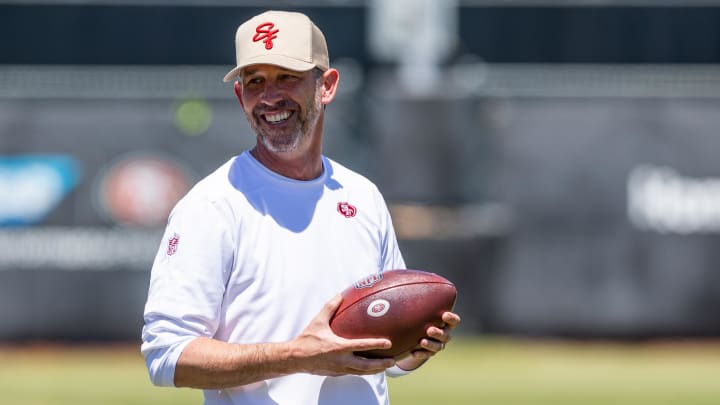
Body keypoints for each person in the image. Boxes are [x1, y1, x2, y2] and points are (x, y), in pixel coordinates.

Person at [141, 10, 461, 405]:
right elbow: (167, 355)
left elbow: (384, 359)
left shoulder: (362, 197)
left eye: (287, 77)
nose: (270, 96)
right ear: (241, 97)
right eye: (255, 81)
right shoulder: (211, 206)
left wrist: (412, 347)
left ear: (326, 86)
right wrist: (299, 355)